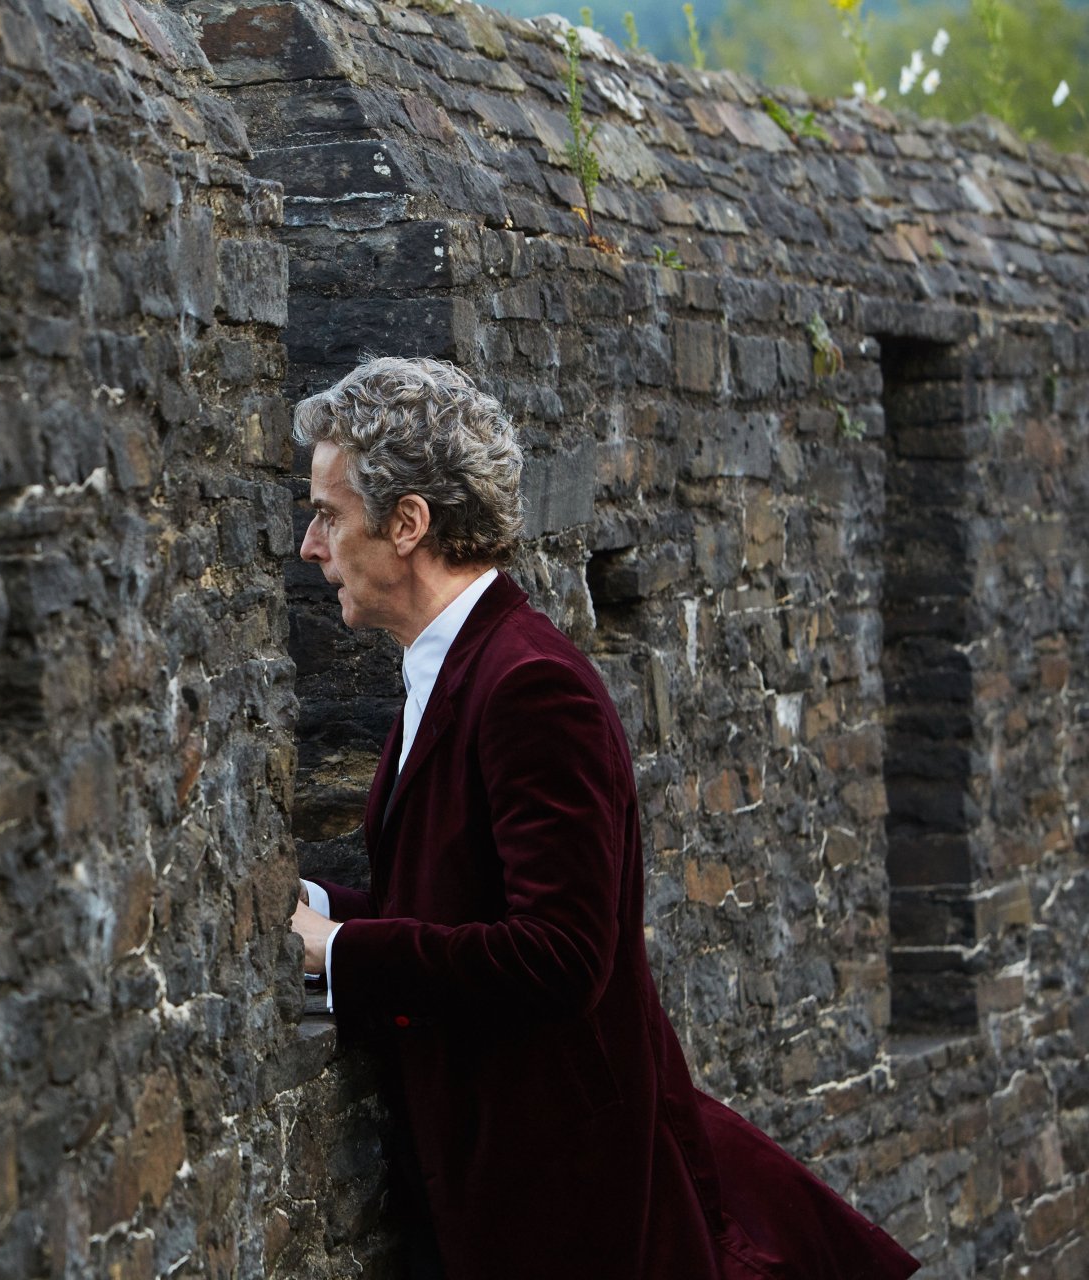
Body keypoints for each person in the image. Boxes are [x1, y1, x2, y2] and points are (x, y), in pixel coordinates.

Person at [286, 356, 919, 1280]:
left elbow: (559, 954)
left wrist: (339, 951)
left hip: (569, 1210)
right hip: (499, 1191)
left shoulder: (530, 686)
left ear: (409, 524)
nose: (310, 546)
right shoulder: (458, 668)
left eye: (329, 516)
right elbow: (453, 895)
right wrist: (307, 902)